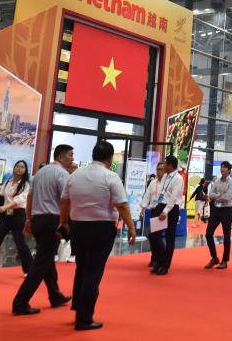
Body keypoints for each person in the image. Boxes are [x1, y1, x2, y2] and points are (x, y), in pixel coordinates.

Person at [60, 141, 136, 331]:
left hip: (78, 226)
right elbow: (122, 204)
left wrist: (63, 222)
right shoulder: (110, 176)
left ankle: (78, 307)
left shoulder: (75, 175)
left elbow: (64, 200)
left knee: (81, 268)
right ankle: (84, 318)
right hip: (102, 227)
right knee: (93, 271)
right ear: (110, 158)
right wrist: (131, 227)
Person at [11, 145, 75, 315]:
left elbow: (30, 198)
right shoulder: (62, 174)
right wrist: (65, 222)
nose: (72, 158)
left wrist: (29, 219)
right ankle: (20, 301)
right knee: (41, 262)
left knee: (46, 258)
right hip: (51, 220)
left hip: (38, 220)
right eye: (70, 155)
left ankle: (55, 294)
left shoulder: (39, 173)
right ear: (60, 157)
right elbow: (65, 200)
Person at [152, 155, 184, 275]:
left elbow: (173, 197)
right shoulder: (165, 176)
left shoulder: (178, 178)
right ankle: (159, 260)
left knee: (170, 238)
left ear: (170, 165)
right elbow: (162, 192)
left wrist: (165, 211)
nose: (163, 166)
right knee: (154, 235)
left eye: (165, 164)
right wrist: (157, 205)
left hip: (171, 208)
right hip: (161, 205)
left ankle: (165, 265)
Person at [204, 161, 232, 269]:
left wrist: (217, 197)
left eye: (224, 167)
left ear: (229, 170)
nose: (222, 169)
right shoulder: (217, 181)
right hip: (215, 210)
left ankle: (225, 260)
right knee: (208, 234)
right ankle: (214, 257)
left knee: (226, 236)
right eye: (221, 167)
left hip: (226, 210)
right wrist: (219, 196)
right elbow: (211, 194)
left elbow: (228, 197)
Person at [142, 165, 165, 270]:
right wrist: (143, 207)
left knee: (155, 236)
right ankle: (155, 257)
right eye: (158, 169)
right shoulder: (153, 182)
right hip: (153, 210)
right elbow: (147, 195)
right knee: (152, 236)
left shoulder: (166, 184)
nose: (159, 171)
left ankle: (159, 259)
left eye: (161, 169)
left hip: (161, 211)